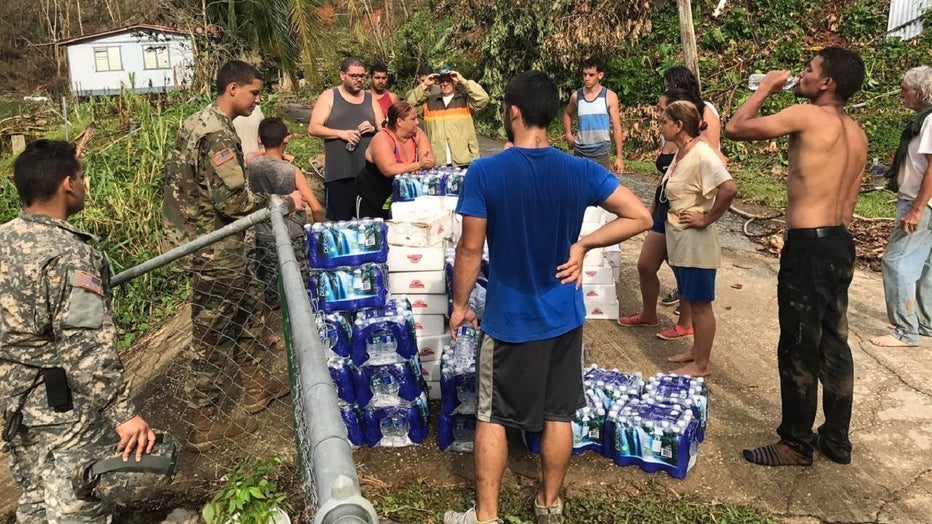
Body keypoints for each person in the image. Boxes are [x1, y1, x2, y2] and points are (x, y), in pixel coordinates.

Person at [444, 71, 651, 524]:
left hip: (510, 319)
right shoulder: (578, 169)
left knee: (493, 415)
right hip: (564, 315)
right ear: (556, 116)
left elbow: (470, 249)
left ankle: (485, 517)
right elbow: (640, 215)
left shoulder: (486, 172)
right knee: (559, 412)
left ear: (512, 112)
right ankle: (548, 506)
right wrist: (584, 245)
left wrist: (459, 307)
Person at [0, 140, 157, 522]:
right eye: (82, 177)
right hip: (62, 404)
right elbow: (84, 344)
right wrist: (123, 414)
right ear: (68, 183)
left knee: (36, 495)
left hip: (12, 398)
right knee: (77, 499)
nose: (84, 184)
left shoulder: (4, 239)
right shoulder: (70, 253)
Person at [726, 47, 867, 466]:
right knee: (835, 344)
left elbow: (736, 127)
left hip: (809, 246)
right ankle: (836, 440)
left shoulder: (806, 116)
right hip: (840, 243)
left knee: (799, 345)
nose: (801, 75)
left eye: (810, 69)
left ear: (828, 83)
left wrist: (766, 87)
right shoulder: (857, 133)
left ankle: (795, 443)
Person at [163, 60, 305, 451]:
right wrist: (283, 202)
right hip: (215, 249)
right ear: (233, 89)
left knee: (249, 310)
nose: (257, 102)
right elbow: (233, 201)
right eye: (254, 93)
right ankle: (204, 421)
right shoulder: (217, 135)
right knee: (210, 337)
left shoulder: (198, 122)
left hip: (214, 244)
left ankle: (256, 385)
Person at [618, 88, 716, 340]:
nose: (658, 119)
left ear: (678, 121)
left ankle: (686, 324)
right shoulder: (675, 143)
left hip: (683, 215)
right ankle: (649, 315)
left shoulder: (699, 148)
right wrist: (651, 207)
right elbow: (666, 178)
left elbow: (724, 183)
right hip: (663, 209)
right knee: (645, 265)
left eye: (662, 113)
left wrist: (705, 215)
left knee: (682, 270)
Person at [657, 100, 737, 376]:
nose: (660, 126)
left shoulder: (702, 153)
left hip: (696, 243)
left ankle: (702, 364)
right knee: (689, 297)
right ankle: (696, 352)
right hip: (680, 240)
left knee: (701, 305)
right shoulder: (682, 153)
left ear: (678, 126)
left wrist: (706, 218)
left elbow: (728, 188)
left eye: (664, 121)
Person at [871, 66, 932, 348]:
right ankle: (924, 322)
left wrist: (917, 208)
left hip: (921, 202)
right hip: (923, 201)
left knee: (896, 262)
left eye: (905, 89)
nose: (901, 94)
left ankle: (905, 331)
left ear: (921, 92)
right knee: (925, 266)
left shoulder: (929, 120)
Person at [658, 65, 724, 308]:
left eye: (671, 86)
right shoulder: (677, 137)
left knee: (701, 304)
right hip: (670, 200)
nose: (667, 91)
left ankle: (688, 313)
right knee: (669, 257)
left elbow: (724, 179)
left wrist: (708, 217)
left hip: (691, 206)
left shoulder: (700, 123)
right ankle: (685, 296)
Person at [250, 116, 325, 306]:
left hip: (264, 235)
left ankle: (270, 329)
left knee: (269, 287)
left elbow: (251, 156)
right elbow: (315, 207)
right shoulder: (292, 172)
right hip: (293, 236)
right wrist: (318, 231)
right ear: (287, 139)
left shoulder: (253, 166)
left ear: (260, 139)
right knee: (300, 286)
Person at [308, 57, 383, 220]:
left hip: (367, 175)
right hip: (339, 174)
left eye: (362, 76)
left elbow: (384, 128)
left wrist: (374, 128)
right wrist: (341, 133)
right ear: (343, 75)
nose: (359, 80)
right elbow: (313, 128)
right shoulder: (329, 96)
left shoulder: (370, 98)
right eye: (354, 76)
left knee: (368, 223)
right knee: (340, 224)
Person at [355, 101, 435, 219]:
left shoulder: (416, 133)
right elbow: (389, 169)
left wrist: (426, 163)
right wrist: (419, 164)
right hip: (373, 198)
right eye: (413, 119)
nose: (417, 122)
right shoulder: (382, 138)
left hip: (401, 198)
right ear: (399, 121)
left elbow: (429, 159)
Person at [406, 66, 489, 167]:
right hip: (437, 161)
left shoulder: (465, 100)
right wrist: (424, 85)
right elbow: (408, 106)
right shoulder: (429, 103)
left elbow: (483, 98)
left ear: (454, 82)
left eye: (448, 81)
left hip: (465, 160)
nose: (445, 84)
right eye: (442, 81)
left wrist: (463, 81)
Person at [562, 57, 626, 174]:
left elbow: (617, 127)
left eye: (591, 75)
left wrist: (619, 157)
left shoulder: (609, 96)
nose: (587, 78)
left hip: (600, 152)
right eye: (584, 74)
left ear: (600, 75)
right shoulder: (577, 96)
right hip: (580, 151)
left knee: (600, 189)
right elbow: (567, 114)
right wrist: (568, 134)